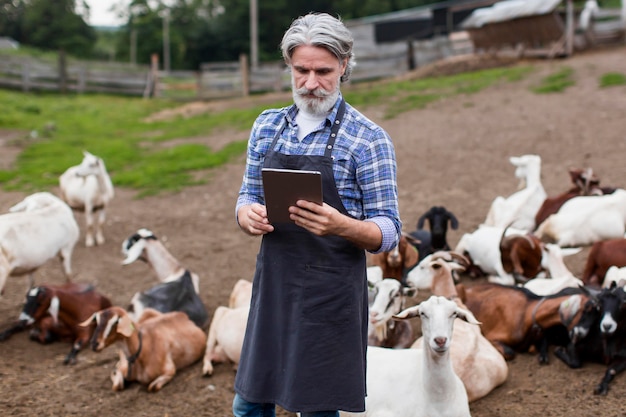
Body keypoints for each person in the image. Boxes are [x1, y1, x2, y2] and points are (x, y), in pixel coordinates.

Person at [233, 12, 401, 417]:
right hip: (274, 286)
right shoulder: (267, 126)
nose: (310, 83)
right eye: (301, 70)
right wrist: (246, 215)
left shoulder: (368, 139)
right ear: (289, 66)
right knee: (249, 405)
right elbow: (246, 195)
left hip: (330, 296)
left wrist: (341, 225)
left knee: (317, 409)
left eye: (323, 71)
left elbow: (390, 229)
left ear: (344, 66)